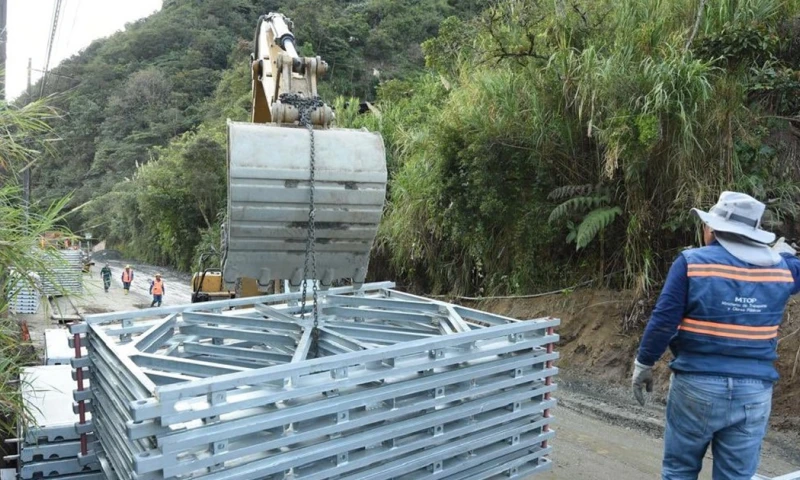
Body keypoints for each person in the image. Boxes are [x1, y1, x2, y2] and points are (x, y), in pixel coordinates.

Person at [631, 191, 800, 480]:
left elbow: (663, 321)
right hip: (753, 393)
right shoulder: (783, 269)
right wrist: (782, 254)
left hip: (697, 387)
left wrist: (643, 364)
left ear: (712, 229)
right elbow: (790, 264)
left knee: (679, 472)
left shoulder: (691, 263)